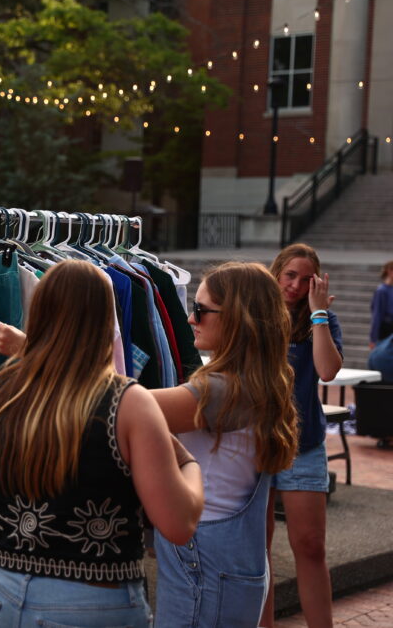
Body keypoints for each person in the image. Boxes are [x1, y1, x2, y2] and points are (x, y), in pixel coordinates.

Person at [0, 260, 204, 628]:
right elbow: (179, 525)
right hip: (92, 601)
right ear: (105, 321)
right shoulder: (127, 403)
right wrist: (189, 465)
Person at [150, 262, 299, 626]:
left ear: (236, 319)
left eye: (200, 310)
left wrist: (40, 352)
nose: (190, 319)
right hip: (228, 565)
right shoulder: (258, 380)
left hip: (205, 565)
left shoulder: (222, 390)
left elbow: (120, 404)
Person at [261, 243, 343, 627]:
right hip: (254, 445)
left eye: (306, 279)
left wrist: (319, 313)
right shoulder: (256, 313)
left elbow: (327, 371)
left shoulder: (322, 319)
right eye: (290, 275)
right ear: (277, 271)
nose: (295, 285)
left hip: (302, 445)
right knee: (256, 551)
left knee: (310, 546)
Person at [370, 260, 393, 349]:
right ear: (390, 271)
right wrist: (373, 338)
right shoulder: (381, 291)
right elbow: (377, 315)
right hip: (386, 331)